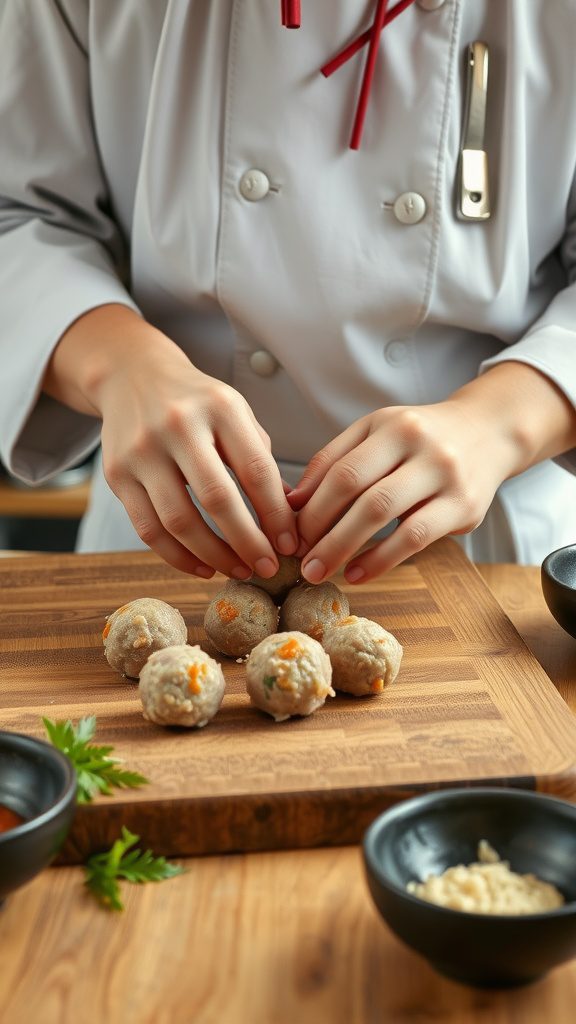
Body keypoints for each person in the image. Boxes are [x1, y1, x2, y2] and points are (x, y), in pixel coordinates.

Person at [1, 0, 575, 586]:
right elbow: (17, 215)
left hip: (487, 547)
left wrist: (499, 423)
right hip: (173, 527)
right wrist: (121, 367)